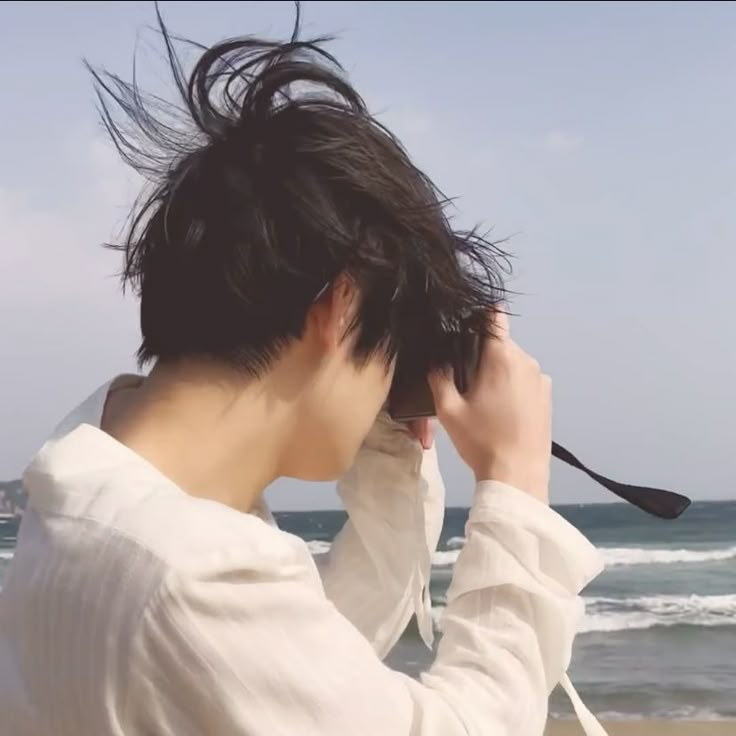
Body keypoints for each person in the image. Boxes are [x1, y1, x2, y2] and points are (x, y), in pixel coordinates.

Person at [0, 6, 607, 735]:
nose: (387, 384)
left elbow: (300, 672)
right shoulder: (184, 576)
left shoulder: (88, 499)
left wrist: (389, 454)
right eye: (387, 353)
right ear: (341, 307)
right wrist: (514, 485)